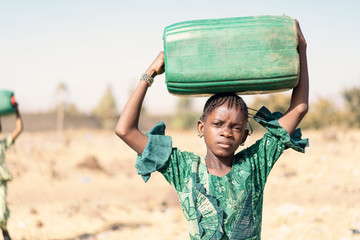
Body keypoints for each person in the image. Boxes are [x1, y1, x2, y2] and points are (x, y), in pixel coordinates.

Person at [115, 20, 309, 239]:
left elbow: (300, 108)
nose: (226, 132)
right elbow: (125, 130)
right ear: (201, 127)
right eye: (217, 124)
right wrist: (149, 73)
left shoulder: (255, 163)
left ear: (245, 136)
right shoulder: (183, 168)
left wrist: (301, 49)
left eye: (236, 127)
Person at [0, 103, 23, 240]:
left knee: (1, 212)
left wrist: (17, 110)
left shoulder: (3, 144)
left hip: (1, 182)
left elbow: (19, 129)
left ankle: (4, 231)